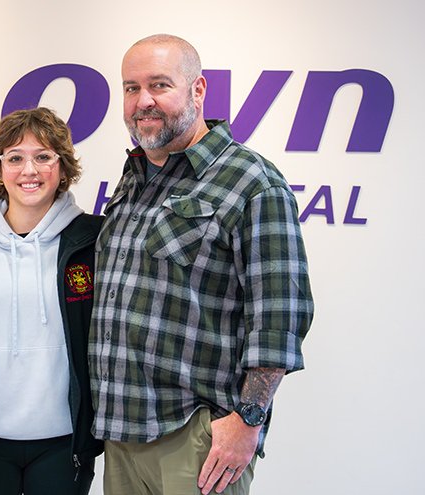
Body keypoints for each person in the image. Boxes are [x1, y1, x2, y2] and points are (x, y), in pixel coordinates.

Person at [90, 34, 315, 495]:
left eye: (159, 85)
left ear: (198, 90)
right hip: (122, 434)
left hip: (197, 438)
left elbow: (278, 318)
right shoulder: (135, 177)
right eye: (131, 88)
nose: (143, 101)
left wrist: (247, 422)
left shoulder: (251, 181)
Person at [0, 107, 103, 495]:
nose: (29, 170)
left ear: (63, 168)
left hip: (64, 443)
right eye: (15, 158)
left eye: (43, 157)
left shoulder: (95, 241)